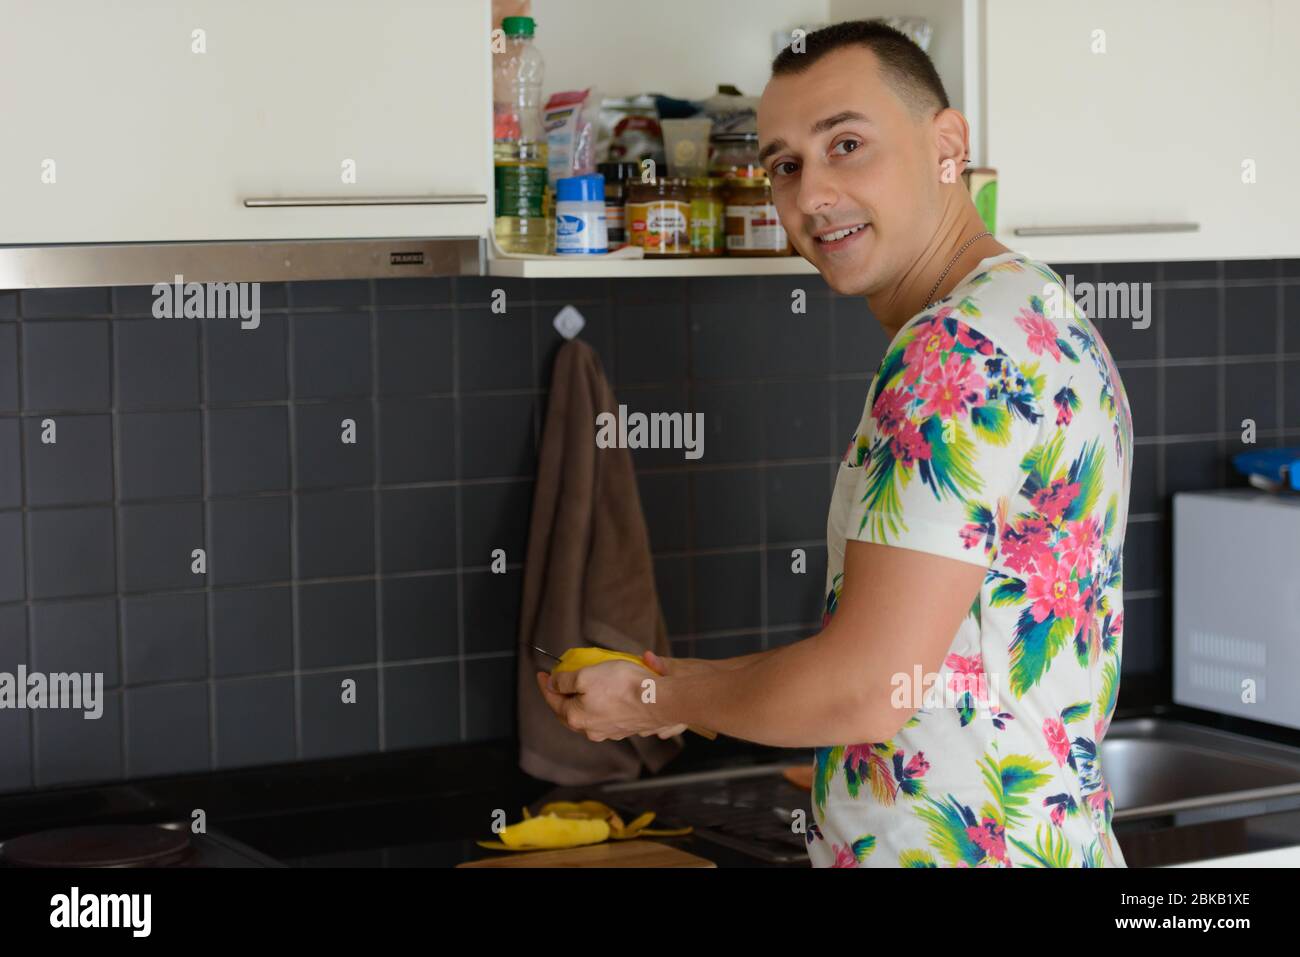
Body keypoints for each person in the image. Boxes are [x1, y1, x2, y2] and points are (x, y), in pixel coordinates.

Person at [537, 20, 1133, 868]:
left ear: (946, 145)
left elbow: (864, 688)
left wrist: (648, 693)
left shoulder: (952, 356)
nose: (810, 195)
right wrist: (697, 699)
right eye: (784, 164)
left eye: (846, 144)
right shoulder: (1037, 308)